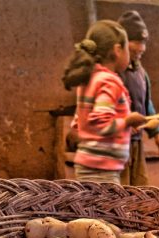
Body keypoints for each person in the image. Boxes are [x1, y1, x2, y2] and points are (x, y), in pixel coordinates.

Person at [62, 20, 147, 184]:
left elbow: (81, 122)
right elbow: (101, 124)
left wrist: (126, 126)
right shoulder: (109, 82)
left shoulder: (89, 79)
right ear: (117, 50)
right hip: (102, 168)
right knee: (106, 209)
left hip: (89, 164)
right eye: (126, 49)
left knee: (92, 208)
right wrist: (127, 120)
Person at [117, 10, 159, 186]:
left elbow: (147, 104)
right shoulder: (113, 73)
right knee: (119, 191)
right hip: (117, 144)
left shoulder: (141, 73)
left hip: (136, 143)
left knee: (139, 188)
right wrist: (122, 123)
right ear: (121, 43)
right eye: (137, 42)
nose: (142, 48)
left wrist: (157, 134)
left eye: (143, 43)